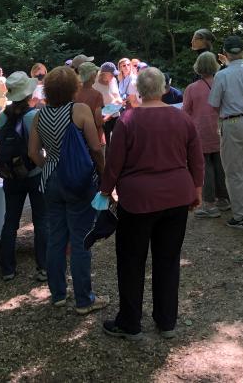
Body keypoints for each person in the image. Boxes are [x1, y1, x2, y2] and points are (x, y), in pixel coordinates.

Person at [99, 68, 204, 340]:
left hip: (137, 200)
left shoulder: (128, 120)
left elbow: (114, 162)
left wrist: (105, 191)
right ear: (165, 89)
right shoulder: (182, 118)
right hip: (176, 197)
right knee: (168, 260)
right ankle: (166, 321)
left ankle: (130, 322)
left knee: (131, 261)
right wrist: (197, 190)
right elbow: (196, 158)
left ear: (139, 92)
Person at [27, 66, 108, 315]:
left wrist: (49, 165)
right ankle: (84, 299)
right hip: (78, 181)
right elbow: (95, 147)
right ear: (73, 88)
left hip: (50, 180)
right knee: (81, 238)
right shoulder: (79, 110)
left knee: (56, 237)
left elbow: (33, 153)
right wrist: (104, 174)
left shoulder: (39, 116)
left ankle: (58, 295)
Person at [208, 36, 243, 229]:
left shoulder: (222, 75)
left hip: (232, 122)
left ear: (224, 53)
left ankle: (241, 215)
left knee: (233, 171)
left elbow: (214, 104)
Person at [0, 72, 47, 282]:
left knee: (10, 221)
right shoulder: (33, 116)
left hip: (10, 175)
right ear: (28, 94)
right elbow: (41, 146)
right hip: (33, 172)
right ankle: (43, 267)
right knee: (41, 221)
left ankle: (7, 269)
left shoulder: (2, 116)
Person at [183, 52, 230, 218]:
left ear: (198, 67)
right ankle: (224, 199)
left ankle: (209, 204)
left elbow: (186, 112)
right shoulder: (222, 83)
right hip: (221, 128)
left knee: (206, 167)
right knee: (220, 164)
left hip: (200, 132)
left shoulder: (192, 88)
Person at [75, 62, 105, 146]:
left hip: (79, 136)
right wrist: (107, 117)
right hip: (95, 136)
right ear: (92, 75)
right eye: (95, 73)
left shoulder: (74, 93)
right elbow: (98, 121)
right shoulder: (97, 95)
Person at [93, 62, 122, 144]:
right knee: (106, 143)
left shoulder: (113, 80)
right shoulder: (94, 83)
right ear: (104, 74)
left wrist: (119, 100)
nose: (114, 76)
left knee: (117, 141)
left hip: (115, 114)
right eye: (112, 74)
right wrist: (105, 114)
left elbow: (117, 96)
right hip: (102, 117)